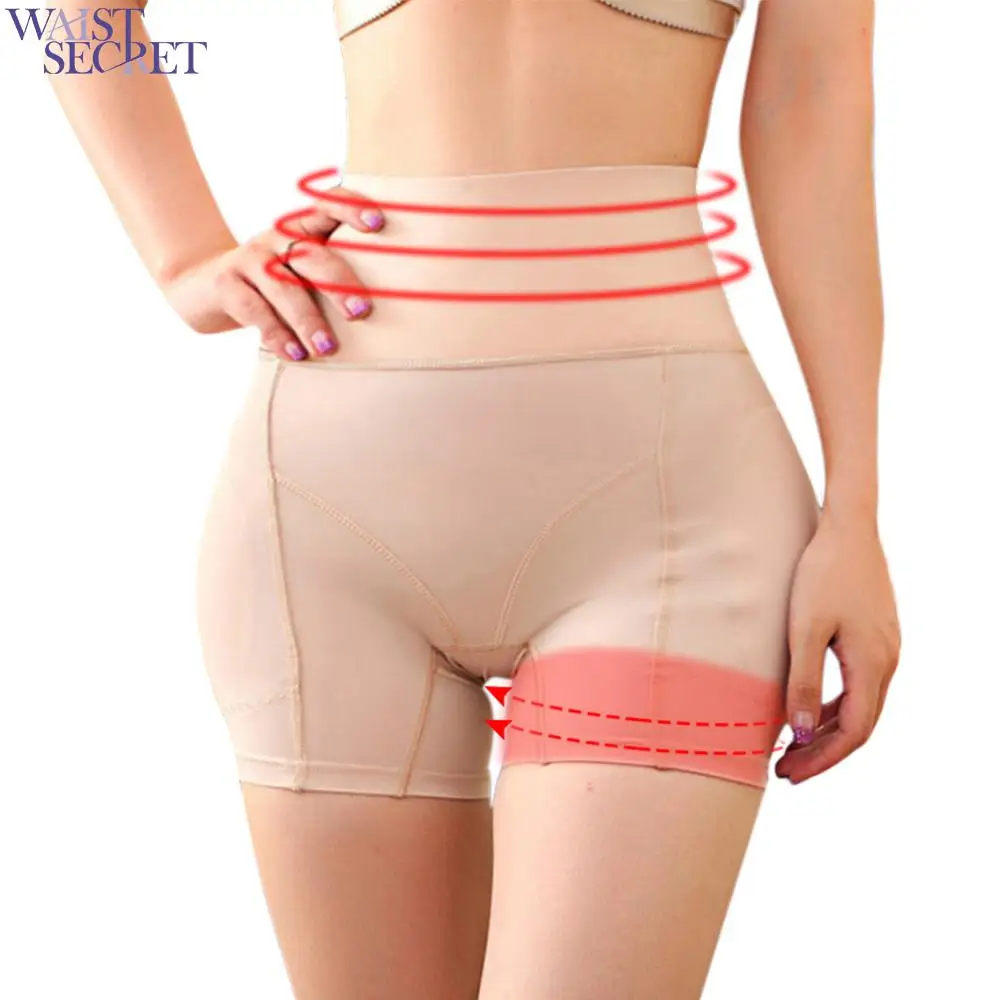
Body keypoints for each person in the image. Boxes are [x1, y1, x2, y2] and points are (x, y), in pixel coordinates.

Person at [48, 1, 901, 997]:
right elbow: (75, 14)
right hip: (330, 523)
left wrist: (856, 512)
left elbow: (813, 107)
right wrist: (184, 262)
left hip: (669, 520)